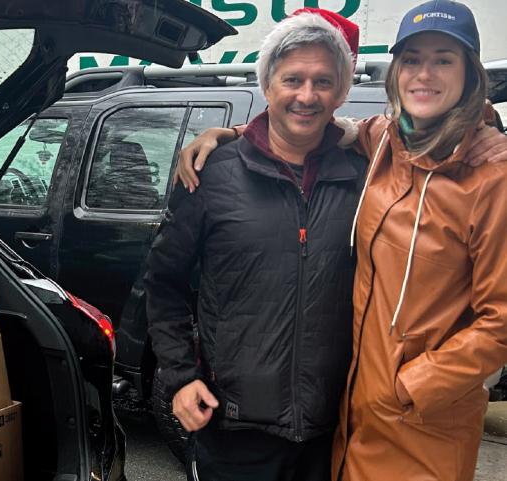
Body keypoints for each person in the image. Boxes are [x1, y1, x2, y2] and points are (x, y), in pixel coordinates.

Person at [174, 2, 507, 480]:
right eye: (411, 59)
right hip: (349, 412)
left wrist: (413, 386)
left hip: (423, 417)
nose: (424, 73)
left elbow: (501, 319)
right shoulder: (384, 145)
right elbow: (308, 127)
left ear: (470, 74)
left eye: (444, 59)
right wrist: (228, 134)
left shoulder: (491, 175)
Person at [145, 9, 365, 481]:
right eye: (293, 79)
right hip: (232, 430)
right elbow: (162, 285)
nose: (306, 96)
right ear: (267, 85)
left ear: (341, 93)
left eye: (323, 81)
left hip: (333, 434)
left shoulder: (363, 178)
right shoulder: (211, 174)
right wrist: (181, 379)